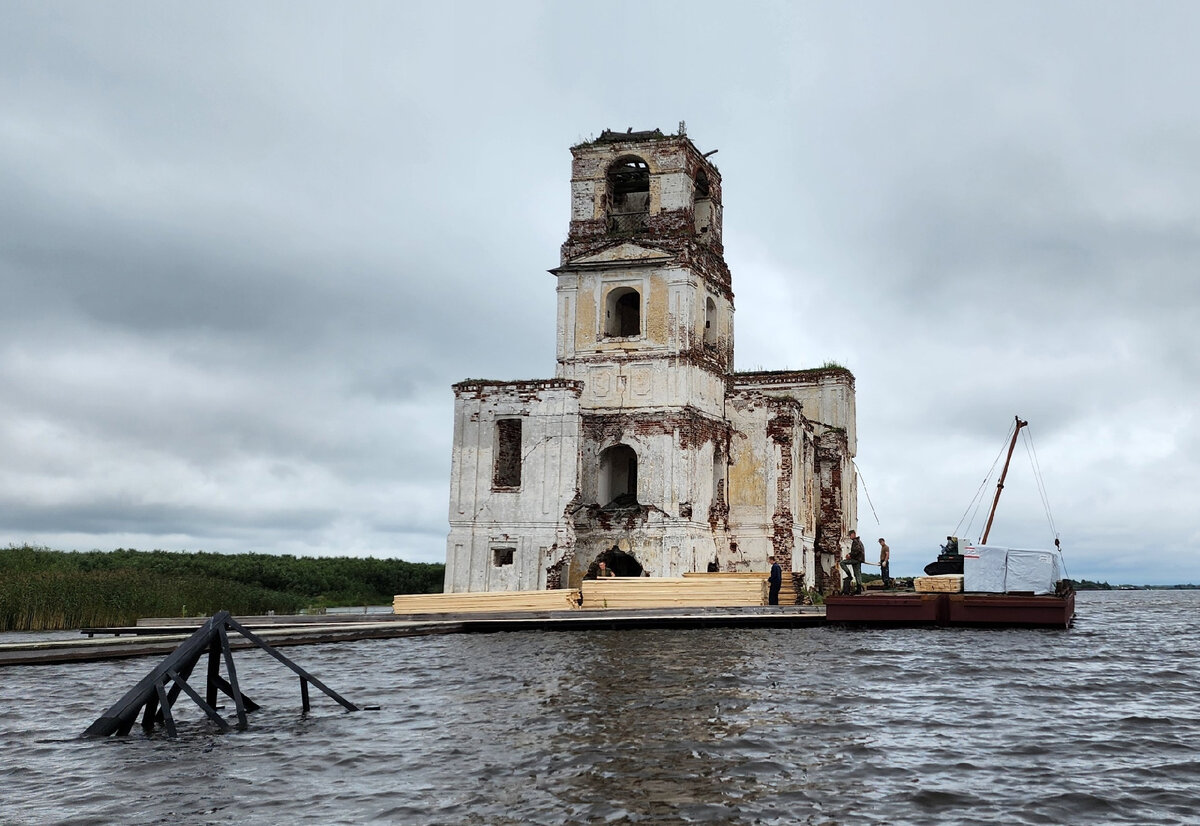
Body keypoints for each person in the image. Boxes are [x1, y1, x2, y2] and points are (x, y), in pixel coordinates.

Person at [840, 530, 866, 594]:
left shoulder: (855, 541)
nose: (850, 537)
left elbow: (857, 550)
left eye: (850, 535)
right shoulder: (859, 541)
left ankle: (849, 575)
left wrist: (850, 555)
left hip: (856, 559)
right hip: (859, 559)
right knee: (857, 574)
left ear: (854, 534)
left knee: (842, 563)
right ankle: (859, 589)